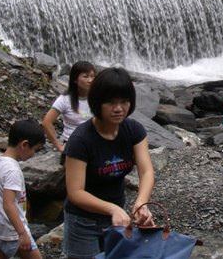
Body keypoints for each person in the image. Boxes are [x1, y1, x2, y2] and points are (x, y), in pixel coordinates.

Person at [63, 67, 155, 259]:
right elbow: (75, 192)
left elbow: (146, 172)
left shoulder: (134, 131)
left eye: (124, 101)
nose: (119, 109)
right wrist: (112, 208)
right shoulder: (80, 140)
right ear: (97, 102)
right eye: (111, 103)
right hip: (83, 221)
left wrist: (141, 203)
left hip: (118, 216)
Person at [0, 119, 45, 259]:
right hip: (10, 230)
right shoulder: (12, 170)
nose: (34, 154)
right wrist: (22, 233)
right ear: (24, 145)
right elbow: (9, 204)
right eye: (35, 149)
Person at [42, 61, 96, 153]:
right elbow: (46, 122)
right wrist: (58, 146)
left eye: (92, 76)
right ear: (75, 79)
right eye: (86, 76)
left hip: (94, 142)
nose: (90, 80)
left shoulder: (98, 96)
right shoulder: (65, 99)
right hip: (73, 143)